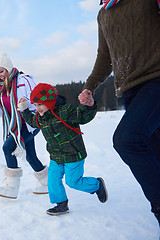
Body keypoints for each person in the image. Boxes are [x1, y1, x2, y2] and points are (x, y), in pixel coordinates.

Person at [78, 0, 160, 225]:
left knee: (128, 140)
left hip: (156, 80)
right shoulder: (103, 13)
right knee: (154, 153)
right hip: (130, 91)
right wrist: (89, 86)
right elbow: (105, 56)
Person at [19, 83, 108, 215]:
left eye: (40, 105)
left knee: (73, 182)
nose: (37, 108)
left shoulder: (66, 111)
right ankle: (61, 204)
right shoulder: (40, 117)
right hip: (56, 156)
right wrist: (25, 110)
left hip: (73, 155)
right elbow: (32, 121)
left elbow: (84, 116)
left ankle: (97, 185)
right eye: (35, 105)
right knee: (53, 180)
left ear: (49, 102)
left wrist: (91, 105)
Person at [0, 53, 48, 199]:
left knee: (7, 148)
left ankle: (12, 187)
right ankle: (46, 182)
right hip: (15, 126)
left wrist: (26, 104)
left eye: (2, 71)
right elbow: (0, 111)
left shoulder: (24, 80)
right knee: (30, 155)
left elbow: (37, 98)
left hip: (30, 122)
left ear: (8, 69)